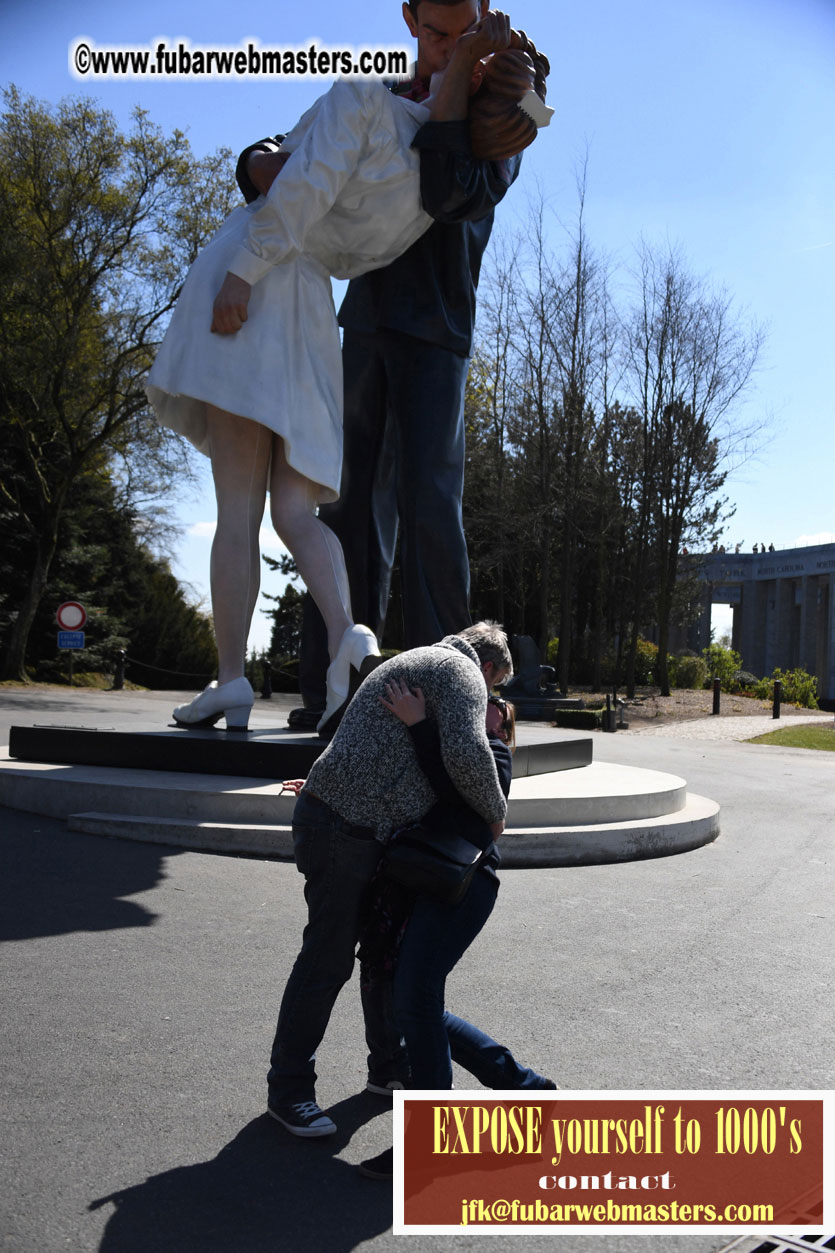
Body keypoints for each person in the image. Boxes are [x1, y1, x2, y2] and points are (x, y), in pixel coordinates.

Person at [150, 14, 549, 737]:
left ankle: (441, 690)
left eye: (461, 25)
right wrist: (257, 161)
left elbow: (451, 190)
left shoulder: (502, 114)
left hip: (436, 324)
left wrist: (466, 86)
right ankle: (328, 687)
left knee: (430, 499)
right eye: (435, 24)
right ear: (412, 20)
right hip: (361, 318)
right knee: (348, 502)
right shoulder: (380, 88)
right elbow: (294, 155)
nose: (447, 36)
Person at [266, 621, 513, 1136]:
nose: (491, 697)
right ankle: (289, 1091)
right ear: (488, 668)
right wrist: (496, 816)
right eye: (496, 687)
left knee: (379, 956)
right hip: (347, 828)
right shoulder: (460, 672)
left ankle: (389, 1069)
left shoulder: (423, 663)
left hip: (351, 824)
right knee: (328, 959)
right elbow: (470, 754)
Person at [356, 683, 554, 1180]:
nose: (484, 700)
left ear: (501, 725)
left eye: (497, 704)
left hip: (463, 888)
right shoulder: (454, 745)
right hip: (427, 886)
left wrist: (421, 726)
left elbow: (458, 791)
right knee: (417, 1006)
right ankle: (524, 1088)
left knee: (414, 1004)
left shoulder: (495, 754)